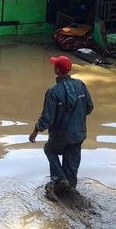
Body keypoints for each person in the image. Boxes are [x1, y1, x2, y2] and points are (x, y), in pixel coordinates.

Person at [29, 56, 93, 196]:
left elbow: (47, 118)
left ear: (57, 70)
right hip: (78, 134)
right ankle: (70, 189)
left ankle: (60, 180)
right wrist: (76, 117)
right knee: (72, 163)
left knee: (50, 150)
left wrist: (35, 131)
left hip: (61, 135)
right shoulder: (80, 85)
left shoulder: (53, 92)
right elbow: (89, 107)